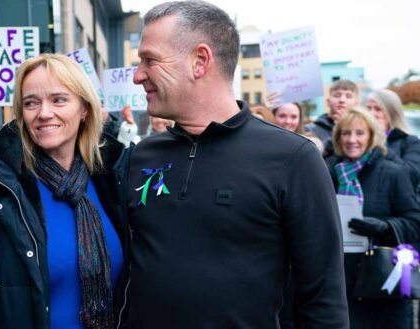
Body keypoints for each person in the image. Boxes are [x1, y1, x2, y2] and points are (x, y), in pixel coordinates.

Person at [125, 1, 348, 328]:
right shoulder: (140, 156)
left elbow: (323, 298)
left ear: (199, 61)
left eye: (150, 60)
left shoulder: (293, 158)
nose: (137, 76)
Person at [0, 54, 128, 329]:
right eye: (31, 103)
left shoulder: (110, 179)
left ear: (84, 108)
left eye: (59, 99)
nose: (44, 113)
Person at [326, 108, 420, 328]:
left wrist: (385, 227)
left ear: (371, 136)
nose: (352, 140)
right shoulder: (327, 171)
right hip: (342, 279)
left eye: (360, 133)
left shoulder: (394, 173)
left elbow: (414, 220)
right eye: (346, 133)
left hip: (385, 281)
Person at [366, 89, 420, 189]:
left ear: (392, 113)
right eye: (368, 108)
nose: (371, 113)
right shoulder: (359, 141)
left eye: (378, 109)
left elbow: (411, 177)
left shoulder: (410, 142)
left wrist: (379, 140)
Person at [304, 79, 360, 154]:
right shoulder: (310, 130)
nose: (342, 100)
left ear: (356, 104)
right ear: (328, 102)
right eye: (337, 95)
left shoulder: (363, 131)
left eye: (348, 96)